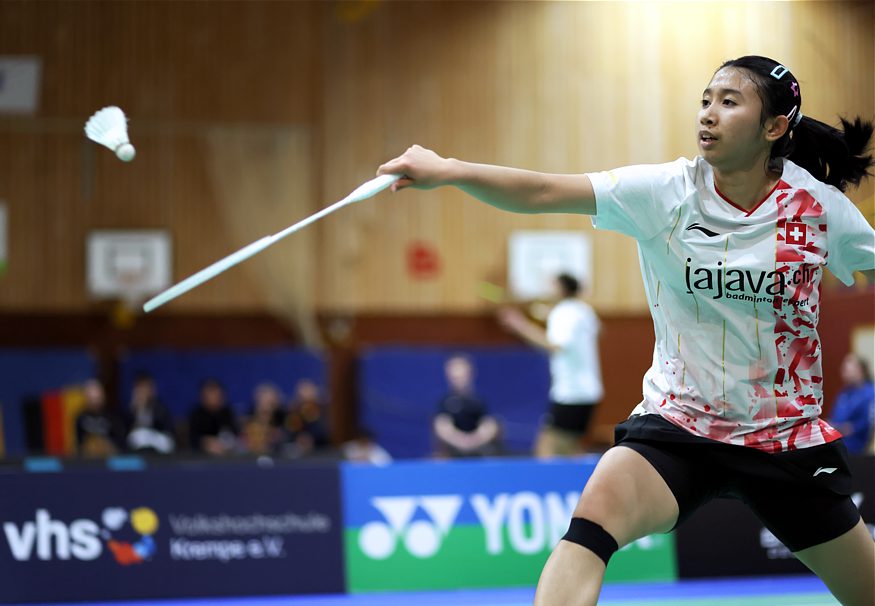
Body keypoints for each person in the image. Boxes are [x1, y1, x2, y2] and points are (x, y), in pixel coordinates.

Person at [376, 55, 875, 606]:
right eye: (706, 100)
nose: (708, 113)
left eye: (729, 102)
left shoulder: (819, 210)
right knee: (592, 522)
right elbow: (543, 191)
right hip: (679, 426)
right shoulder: (665, 193)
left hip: (783, 440)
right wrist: (448, 170)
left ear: (775, 127)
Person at [499, 273, 603, 457]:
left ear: (562, 289)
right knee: (570, 449)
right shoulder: (584, 311)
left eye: (552, 285)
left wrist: (520, 326)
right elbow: (598, 330)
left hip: (571, 393)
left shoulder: (563, 313)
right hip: (589, 392)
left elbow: (554, 345)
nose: (547, 289)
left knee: (546, 448)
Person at [433, 353, 501, 458]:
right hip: (453, 451)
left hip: (481, 450)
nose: (459, 379)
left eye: (461, 376)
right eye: (455, 377)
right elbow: (441, 426)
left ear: (470, 373)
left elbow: (490, 425)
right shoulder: (445, 402)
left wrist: (475, 439)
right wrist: (460, 441)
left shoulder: (479, 401)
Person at [828, 353, 875, 455]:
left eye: (846, 369)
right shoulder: (843, 393)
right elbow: (834, 418)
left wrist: (851, 428)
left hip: (856, 449)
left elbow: (868, 422)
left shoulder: (870, 392)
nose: (842, 371)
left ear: (859, 369)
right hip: (836, 444)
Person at [124, 373, 175, 454]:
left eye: (146, 387)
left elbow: (167, 432)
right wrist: (138, 409)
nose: (143, 391)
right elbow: (128, 433)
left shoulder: (160, 408)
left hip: (158, 445)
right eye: (140, 388)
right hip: (138, 449)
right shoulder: (130, 409)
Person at [188, 378, 239, 456]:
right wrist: (205, 443)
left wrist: (226, 443)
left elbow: (236, 436)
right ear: (203, 397)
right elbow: (193, 439)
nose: (214, 398)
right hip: (201, 457)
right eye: (210, 394)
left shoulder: (228, 413)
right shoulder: (196, 415)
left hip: (227, 455)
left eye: (217, 395)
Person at [76, 378, 125, 457]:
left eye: (97, 398)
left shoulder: (112, 417)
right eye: (92, 399)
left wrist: (105, 445)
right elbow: (78, 445)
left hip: (110, 457)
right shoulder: (81, 419)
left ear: (103, 396)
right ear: (86, 398)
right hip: (88, 459)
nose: (95, 402)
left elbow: (120, 443)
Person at [283, 379, 330, 457]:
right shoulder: (294, 412)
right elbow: (289, 432)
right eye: (302, 393)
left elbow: (326, 432)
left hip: (322, 452)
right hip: (299, 454)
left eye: (308, 391)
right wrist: (298, 438)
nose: (306, 396)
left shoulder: (324, 410)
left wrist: (312, 438)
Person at [241, 382, 286, 456]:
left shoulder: (284, 423)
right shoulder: (247, 423)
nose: (266, 407)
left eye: (270, 404)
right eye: (263, 402)